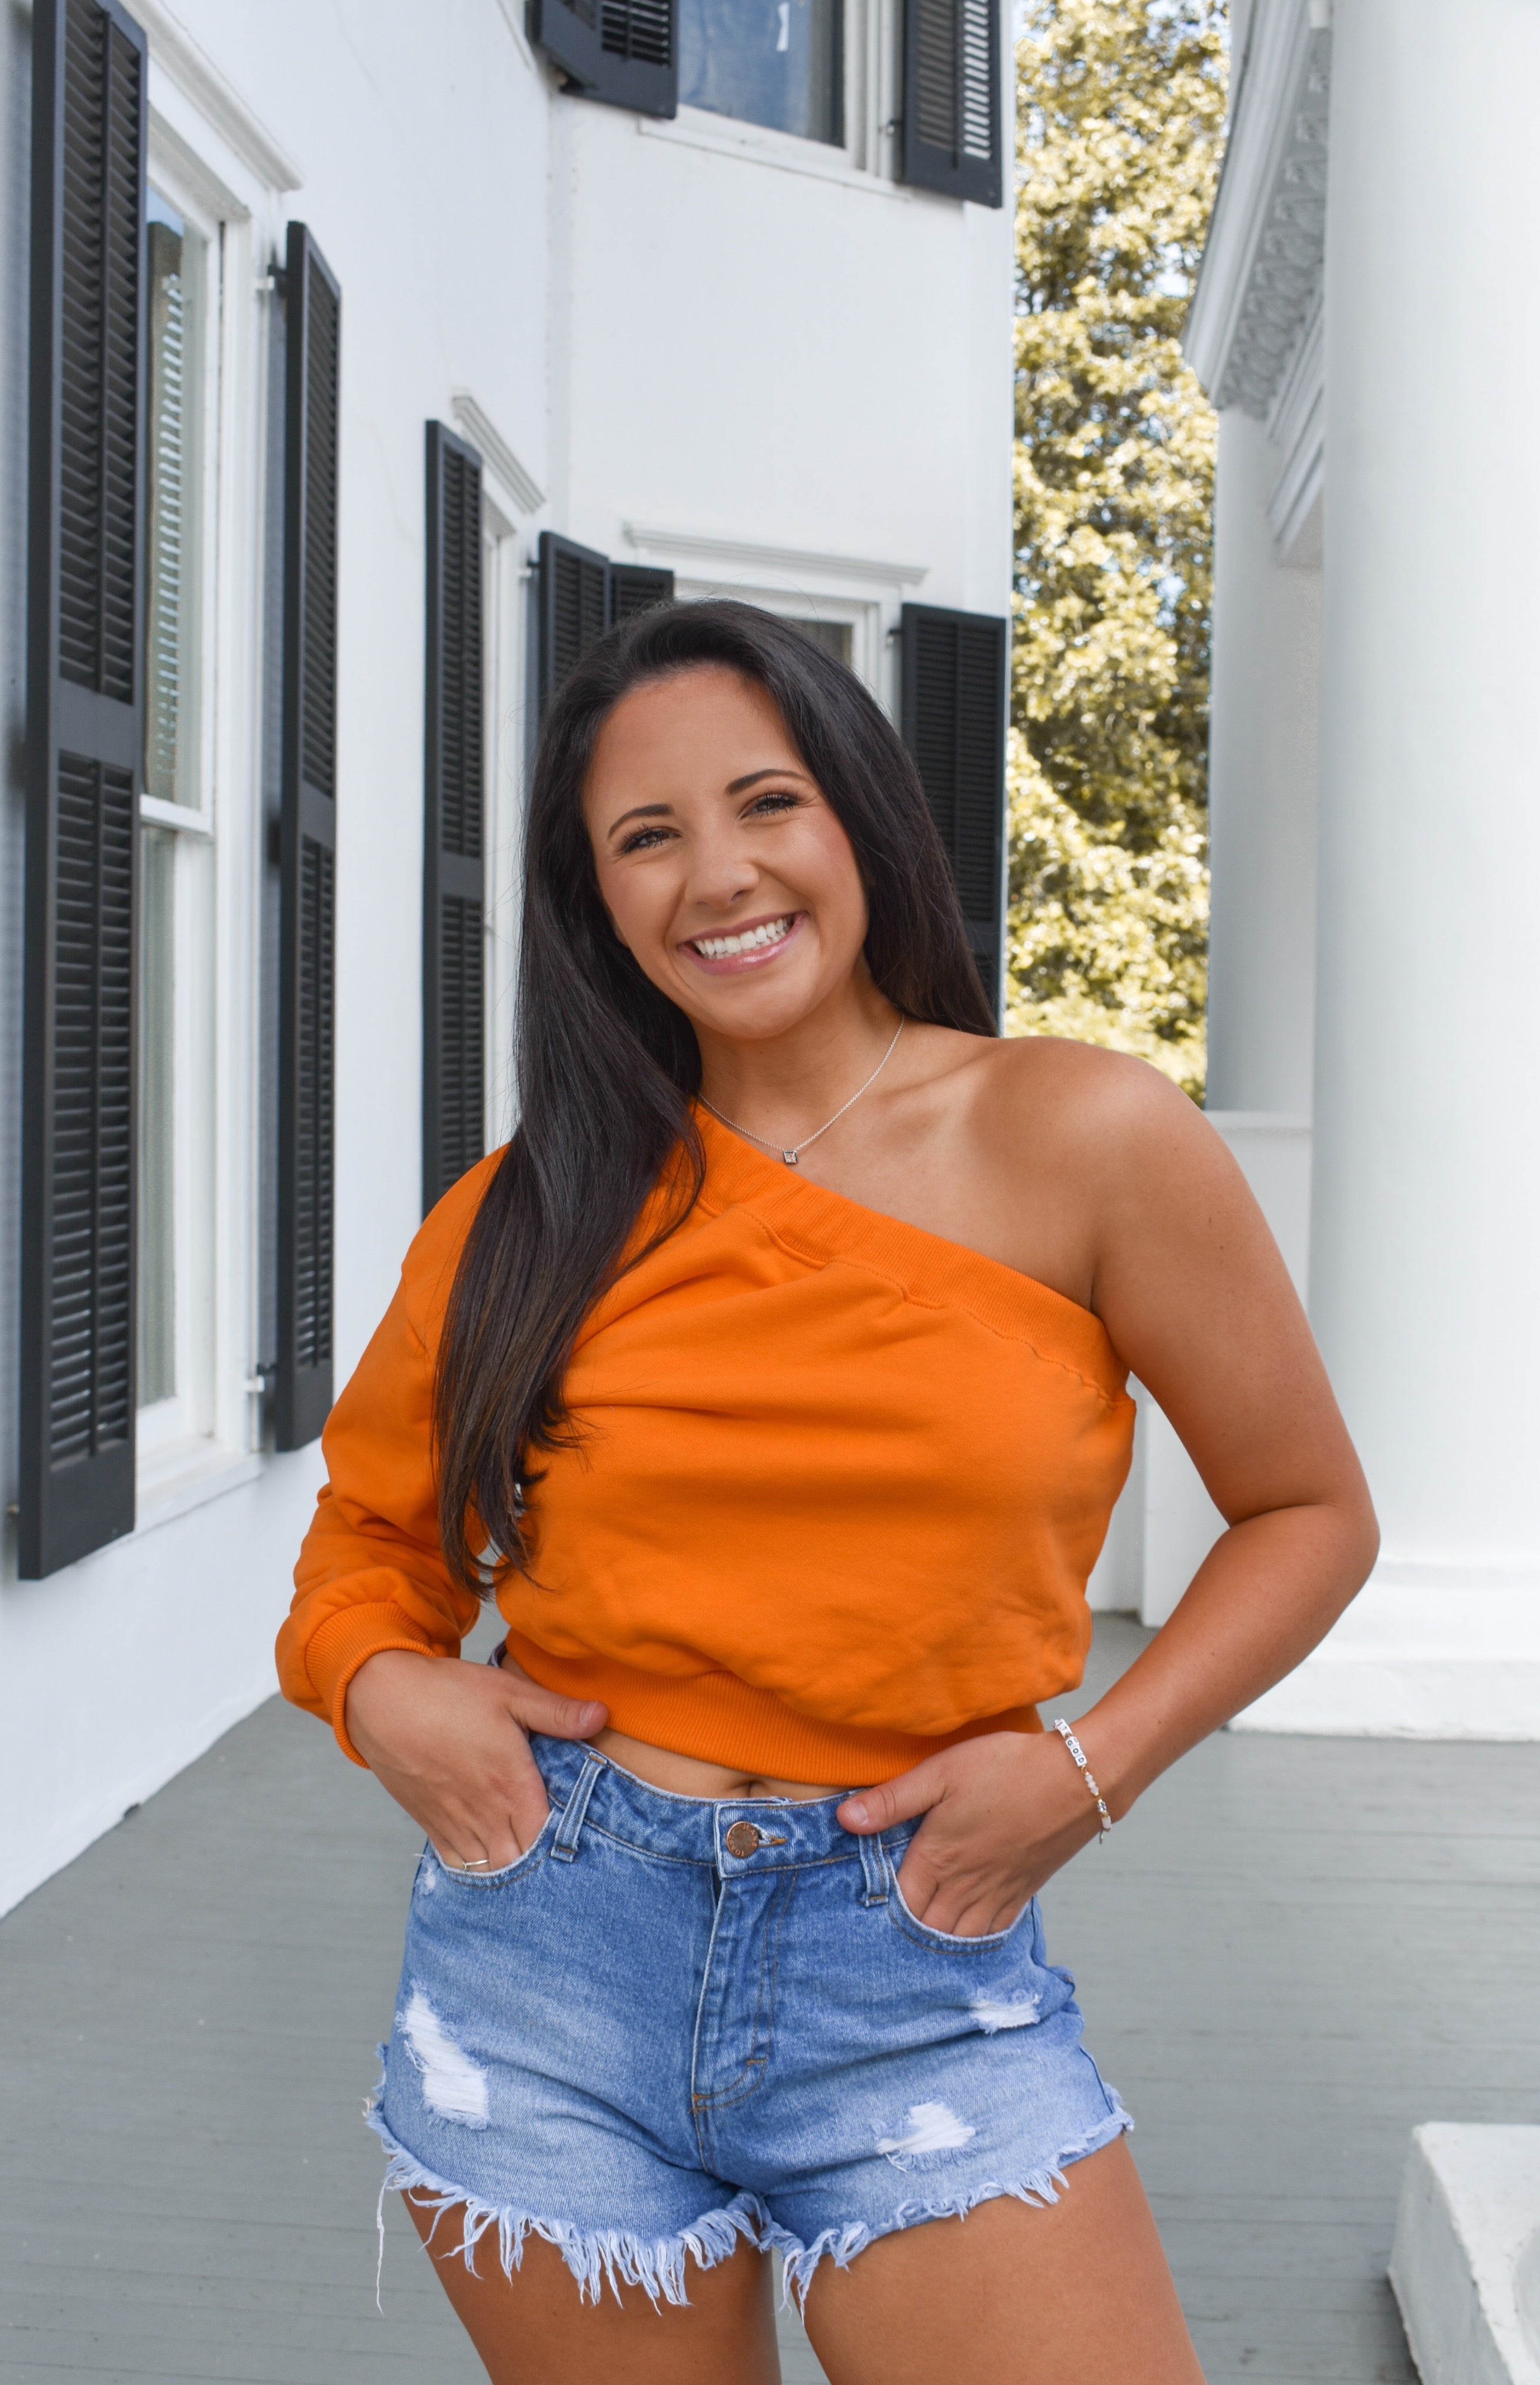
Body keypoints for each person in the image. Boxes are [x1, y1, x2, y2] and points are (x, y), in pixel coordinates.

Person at [277, 600, 1377, 2384]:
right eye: (648, 839)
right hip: (553, 1955)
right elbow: (367, 1548)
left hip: (915, 1965)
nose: (718, 875)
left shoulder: (1086, 1137)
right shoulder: (527, 1214)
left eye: (763, 802)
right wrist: (381, 1686)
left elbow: (1311, 1514)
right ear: (599, 904)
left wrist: (1088, 1773)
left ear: (859, 815)